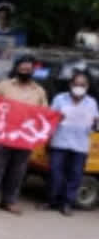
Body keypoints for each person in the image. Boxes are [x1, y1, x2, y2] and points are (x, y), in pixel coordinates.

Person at [0, 55, 47, 215]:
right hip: (3, 136)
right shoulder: (4, 86)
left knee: (17, 172)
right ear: (16, 68)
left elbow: (43, 114)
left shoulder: (39, 91)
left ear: (33, 70)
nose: (25, 71)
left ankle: (9, 202)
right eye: (22, 68)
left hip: (24, 139)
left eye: (28, 69)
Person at [42, 71, 99, 216]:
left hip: (80, 145)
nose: (79, 87)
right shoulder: (60, 99)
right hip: (59, 142)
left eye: (82, 84)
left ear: (87, 86)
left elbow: (95, 125)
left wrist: (94, 123)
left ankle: (67, 203)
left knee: (75, 175)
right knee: (55, 172)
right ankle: (52, 200)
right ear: (70, 84)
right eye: (76, 84)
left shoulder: (91, 102)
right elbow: (50, 118)